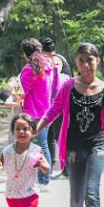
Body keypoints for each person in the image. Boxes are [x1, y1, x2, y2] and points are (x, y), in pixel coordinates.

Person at [36, 43, 104, 207]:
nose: (86, 64)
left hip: (97, 145)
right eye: (81, 60)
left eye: (89, 60)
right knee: (76, 197)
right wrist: (35, 129)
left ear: (97, 61)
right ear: (76, 63)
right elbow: (54, 110)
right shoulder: (68, 87)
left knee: (91, 192)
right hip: (73, 147)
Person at [19, 38, 58, 191]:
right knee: (42, 146)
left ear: (25, 53)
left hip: (32, 112)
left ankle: (42, 181)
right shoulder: (49, 65)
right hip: (47, 111)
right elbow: (56, 87)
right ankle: (42, 179)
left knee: (36, 146)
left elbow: (21, 92)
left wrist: (11, 91)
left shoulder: (29, 70)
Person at [41, 38, 72, 177]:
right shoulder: (61, 59)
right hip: (60, 103)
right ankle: (57, 167)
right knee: (53, 136)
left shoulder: (54, 61)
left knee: (57, 137)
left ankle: (66, 168)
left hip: (56, 104)